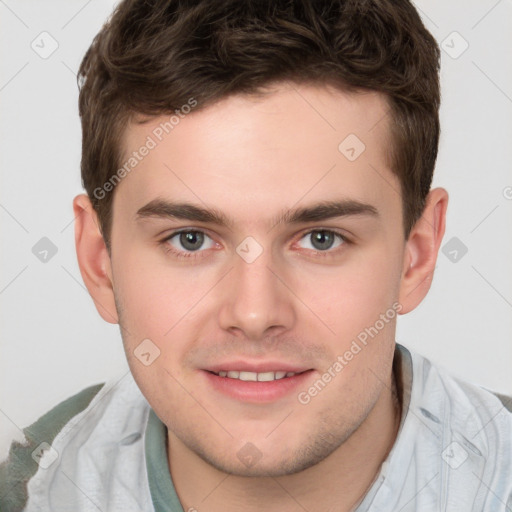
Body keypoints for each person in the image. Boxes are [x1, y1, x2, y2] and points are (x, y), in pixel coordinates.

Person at [1, 0, 511, 510]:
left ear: (415, 257)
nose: (254, 313)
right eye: (190, 239)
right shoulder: (34, 491)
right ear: (100, 262)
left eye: (321, 239)